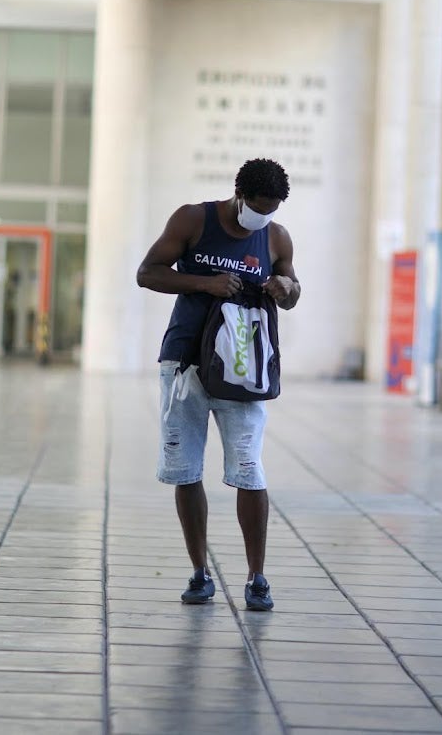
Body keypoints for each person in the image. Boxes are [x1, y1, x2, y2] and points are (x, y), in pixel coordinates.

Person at [137, 158, 300, 611]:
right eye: (257, 208)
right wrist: (204, 284)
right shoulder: (193, 218)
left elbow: (294, 290)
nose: (262, 217)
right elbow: (147, 273)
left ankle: (257, 578)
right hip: (185, 362)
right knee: (186, 469)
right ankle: (199, 573)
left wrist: (285, 288)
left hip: (244, 370)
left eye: (273, 209)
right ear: (238, 194)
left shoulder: (276, 236)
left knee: (249, 468)